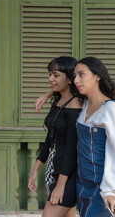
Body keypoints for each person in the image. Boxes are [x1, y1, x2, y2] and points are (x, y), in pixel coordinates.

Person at [35, 57, 115, 217]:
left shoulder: (111, 109)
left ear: (97, 75)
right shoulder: (84, 105)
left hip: (101, 187)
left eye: (81, 75)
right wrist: (48, 94)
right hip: (82, 183)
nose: (76, 80)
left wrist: (111, 190)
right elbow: (66, 94)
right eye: (75, 76)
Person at [28, 56, 82, 217]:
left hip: (69, 174)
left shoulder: (75, 106)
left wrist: (61, 185)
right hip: (55, 169)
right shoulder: (59, 102)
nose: (50, 78)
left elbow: (72, 149)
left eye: (56, 75)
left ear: (70, 78)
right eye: (50, 74)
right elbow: (50, 139)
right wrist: (35, 169)